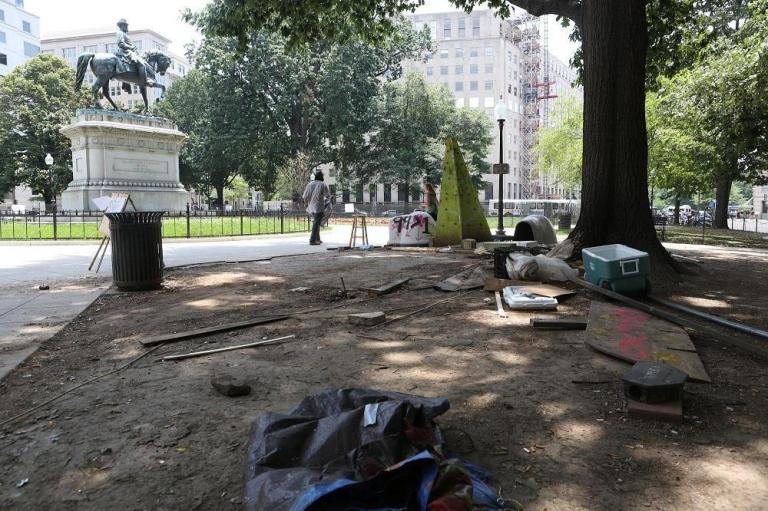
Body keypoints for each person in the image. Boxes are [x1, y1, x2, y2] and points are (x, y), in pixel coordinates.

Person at [115, 19, 150, 86]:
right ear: (122, 26)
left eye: (127, 25)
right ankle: (143, 82)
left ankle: (127, 83)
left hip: (130, 51)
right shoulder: (120, 33)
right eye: (126, 25)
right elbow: (121, 44)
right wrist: (131, 47)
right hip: (125, 51)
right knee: (141, 64)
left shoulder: (125, 34)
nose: (127, 27)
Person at [302, 171, 330, 245]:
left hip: (310, 207)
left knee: (316, 222)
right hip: (319, 207)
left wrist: (306, 204)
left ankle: (318, 239)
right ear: (321, 177)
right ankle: (312, 240)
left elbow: (305, 196)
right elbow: (327, 195)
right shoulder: (322, 184)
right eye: (322, 176)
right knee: (316, 223)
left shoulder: (310, 184)